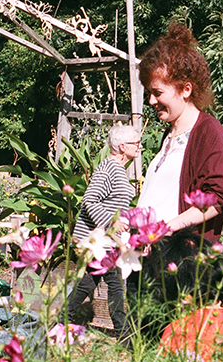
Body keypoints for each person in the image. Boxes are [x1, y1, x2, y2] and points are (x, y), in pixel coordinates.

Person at [125, 23, 223, 341]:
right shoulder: (171, 134)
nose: (150, 101)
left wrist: (167, 228)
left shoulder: (207, 132)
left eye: (158, 92)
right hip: (150, 263)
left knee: (171, 346)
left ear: (185, 89)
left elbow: (221, 196)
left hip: (179, 269)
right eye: (149, 92)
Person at [65, 125, 141, 342]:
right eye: (136, 143)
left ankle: (61, 322)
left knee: (89, 282)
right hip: (97, 238)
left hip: (105, 239)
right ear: (123, 146)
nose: (140, 146)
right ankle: (125, 338)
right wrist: (111, 222)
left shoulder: (118, 169)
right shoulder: (108, 168)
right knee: (116, 285)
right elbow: (89, 199)